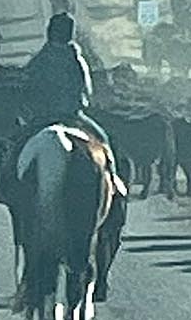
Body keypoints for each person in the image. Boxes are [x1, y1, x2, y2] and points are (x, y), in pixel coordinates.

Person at [19, 13, 125, 194]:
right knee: (106, 142)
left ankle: (6, 189)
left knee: (13, 148)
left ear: (49, 32)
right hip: (73, 116)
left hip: (41, 118)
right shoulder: (77, 60)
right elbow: (87, 91)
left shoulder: (38, 61)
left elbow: (28, 90)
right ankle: (115, 186)